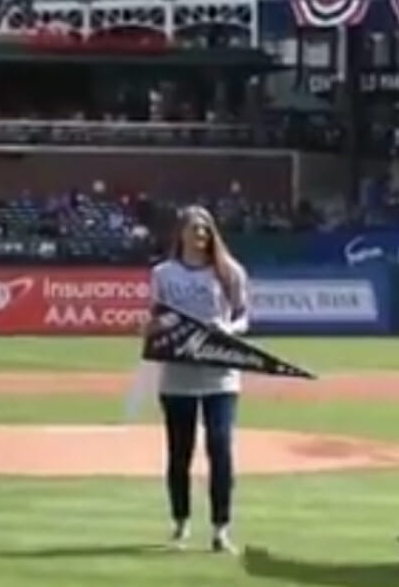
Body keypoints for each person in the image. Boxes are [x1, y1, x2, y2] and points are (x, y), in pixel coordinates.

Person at [142, 205, 250, 553]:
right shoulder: (164, 273)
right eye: (194, 229)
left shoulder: (229, 272)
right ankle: (181, 522)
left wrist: (228, 329)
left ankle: (221, 528)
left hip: (220, 373)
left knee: (220, 448)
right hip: (177, 375)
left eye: (205, 229)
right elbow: (154, 319)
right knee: (180, 451)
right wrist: (157, 327)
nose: (200, 235)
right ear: (181, 233)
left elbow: (244, 316)